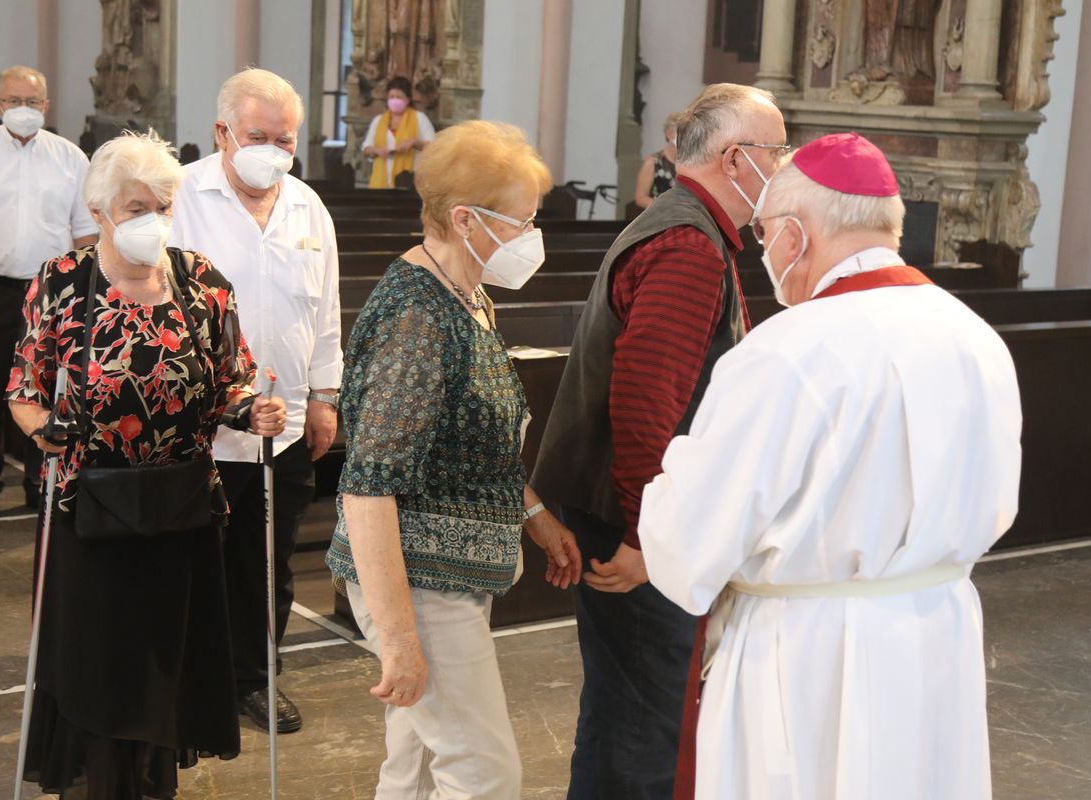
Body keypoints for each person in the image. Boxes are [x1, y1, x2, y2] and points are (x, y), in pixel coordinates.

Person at [638, 132, 1022, 799]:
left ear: (793, 236)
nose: (765, 250)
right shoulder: (973, 336)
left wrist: (671, 479)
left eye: (763, 234)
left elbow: (692, 541)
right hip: (936, 631)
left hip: (805, 654)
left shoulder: (785, 351)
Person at [8, 129, 285, 799]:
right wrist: (47, 428)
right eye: (137, 208)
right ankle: (102, 782)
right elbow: (23, 390)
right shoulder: (62, 283)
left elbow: (230, 380)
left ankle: (154, 783)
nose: (152, 220)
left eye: (162, 204)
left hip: (180, 509)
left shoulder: (202, 283)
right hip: (90, 509)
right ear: (100, 210)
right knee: (99, 664)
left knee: (163, 662)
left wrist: (253, 412)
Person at [530, 83, 789, 800]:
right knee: (647, 719)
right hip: (632, 517)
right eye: (778, 149)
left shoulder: (685, 225)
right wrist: (651, 539)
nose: (785, 163)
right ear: (740, 159)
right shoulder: (687, 245)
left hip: (625, 508)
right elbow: (645, 406)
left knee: (624, 706)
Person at [326, 120, 583, 799]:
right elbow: (367, 488)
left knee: (410, 770)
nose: (532, 237)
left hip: (447, 575)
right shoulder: (417, 318)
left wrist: (533, 514)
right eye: (522, 222)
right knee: (483, 772)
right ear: (465, 218)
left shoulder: (467, 294)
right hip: (417, 583)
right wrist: (400, 636)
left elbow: (477, 442)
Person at [170, 67, 342, 735]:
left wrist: (325, 396)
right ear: (222, 133)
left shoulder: (307, 206)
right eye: (258, 136)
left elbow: (324, 309)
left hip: (289, 422)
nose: (273, 149)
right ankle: (190, 683)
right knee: (195, 559)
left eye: (286, 138)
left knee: (266, 564)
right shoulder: (182, 198)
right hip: (202, 430)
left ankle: (256, 678)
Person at [0, 66, 98, 520]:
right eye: (13, 101)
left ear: (46, 107)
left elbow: (85, 233)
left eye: (32, 102)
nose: (22, 110)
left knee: (47, 390)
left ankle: (40, 483)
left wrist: (87, 289)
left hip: (52, 291)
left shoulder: (71, 158)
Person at [362, 75, 435, 189]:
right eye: (392, 97)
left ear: (408, 99)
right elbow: (366, 149)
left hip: (410, 180)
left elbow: (435, 148)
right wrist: (376, 150)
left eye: (399, 97)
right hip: (382, 181)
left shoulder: (419, 118)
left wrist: (415, 143)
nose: (395, 100)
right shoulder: (379, 120)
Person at [633, 111, 682, 210]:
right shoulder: (653, 162)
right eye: (682, 132)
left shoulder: (691, 163)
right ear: (669, 134)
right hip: (660, 219)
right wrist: (668, 208)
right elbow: (640, 198)